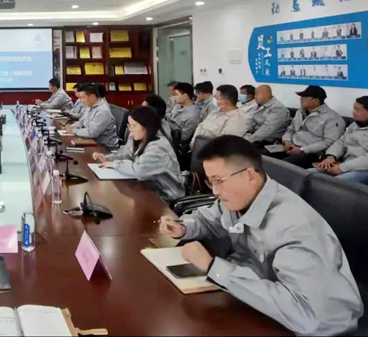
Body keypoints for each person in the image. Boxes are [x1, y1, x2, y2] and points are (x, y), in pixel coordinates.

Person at [158, 136, 363, 335]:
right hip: (259, 299)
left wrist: (214, 268)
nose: (215, 191)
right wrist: (183, 227)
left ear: (250, 176)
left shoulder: (294, 227)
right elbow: (210, 219)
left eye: (219, 180)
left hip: (315, 327)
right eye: (211, 182)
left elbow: (307, 315)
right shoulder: (239, 197)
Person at [92, 106, 184, 202]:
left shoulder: (158, 148)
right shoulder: (143, 139)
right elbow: (129, 155)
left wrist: (115, 164)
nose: (130, 130)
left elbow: (139, 171)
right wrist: (108, 158)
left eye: (134, 126)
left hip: (165, 198)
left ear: (147, 126)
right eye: (129, 125)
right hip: (148, 189)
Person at [281, 86, 345, 168]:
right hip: (291, 146)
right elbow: (290, 130)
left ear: (316, 101)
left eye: (304, 97)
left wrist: (302, 150)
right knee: (266, 156)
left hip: (311, 153)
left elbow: (329, 142)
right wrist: (287, 141)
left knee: (282, 166)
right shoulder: (300, 112)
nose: (301, 99)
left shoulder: (332, 117)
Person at [311, 96, 368, 184]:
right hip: (345, 164)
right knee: (310, 174)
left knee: (335, 184)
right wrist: (331, 156)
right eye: (354, 108)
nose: (353, 112)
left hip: (363, 169)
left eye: (357, 110)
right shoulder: (354, 125)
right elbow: (341, 142)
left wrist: (342, 168)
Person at [66, 83, 119, 148]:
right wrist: (71, 127)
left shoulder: (102, 111)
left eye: (83, 98)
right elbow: (81, 121)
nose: (82, 101)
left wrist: (73, 131)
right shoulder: (90, 106)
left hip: (104, 147)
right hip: (91, 141)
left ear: (92, 97)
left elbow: (92, 133)